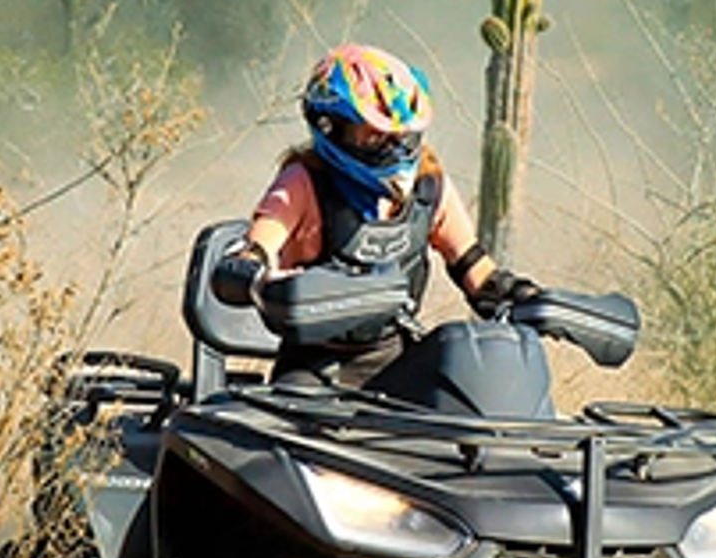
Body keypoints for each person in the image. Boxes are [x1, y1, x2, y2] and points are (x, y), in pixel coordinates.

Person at [209, 44, 530, 387]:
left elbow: (477, 272)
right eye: (375, 132)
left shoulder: (428, 186)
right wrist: (252, 276)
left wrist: (530, 301)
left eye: (401, 134)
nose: (392, 145)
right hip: (314, 368)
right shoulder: (303, 181)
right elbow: (253, 252)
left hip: (398, 362)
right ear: (330, 126)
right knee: (286, 434)